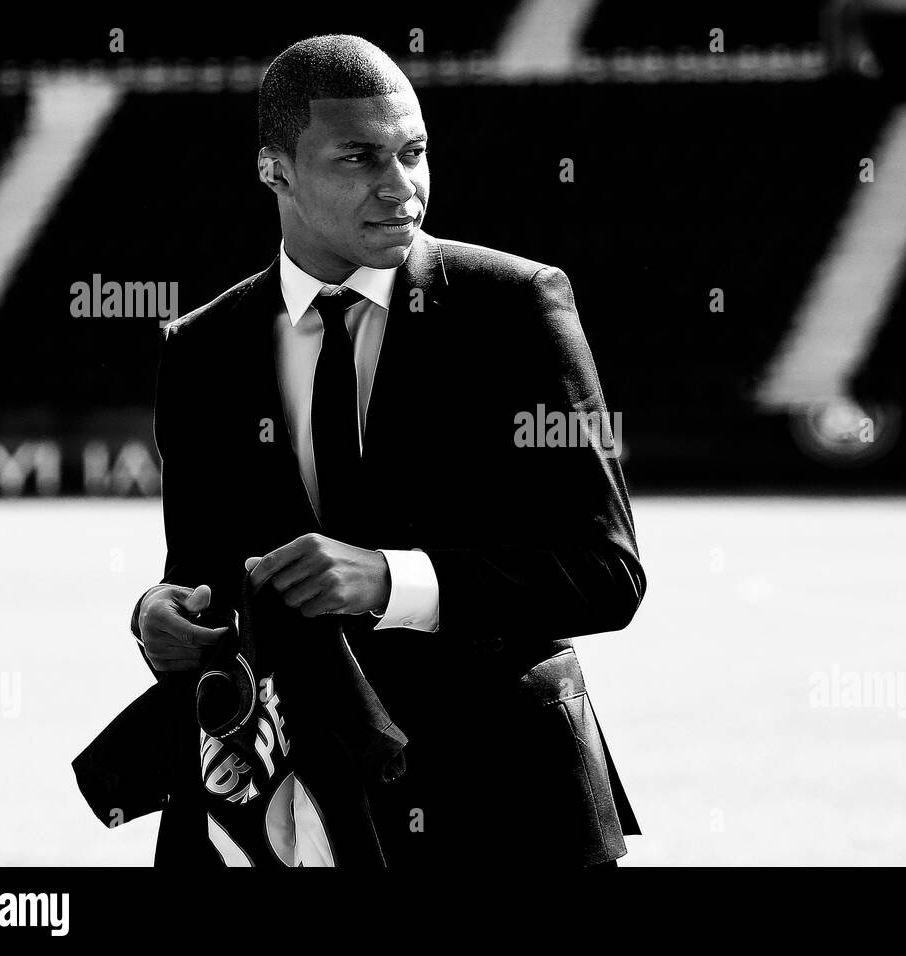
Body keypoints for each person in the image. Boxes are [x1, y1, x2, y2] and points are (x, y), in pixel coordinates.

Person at [128, 34, 645, 869]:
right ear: (275, 170)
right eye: (360, 157)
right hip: (280, 798)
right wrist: (163, 616)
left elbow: (606, 573)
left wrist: (394, 578)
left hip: (502, 803)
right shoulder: (201, 348)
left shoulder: (517, 308)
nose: (401, 187)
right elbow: (205, 568)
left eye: (414, 152)